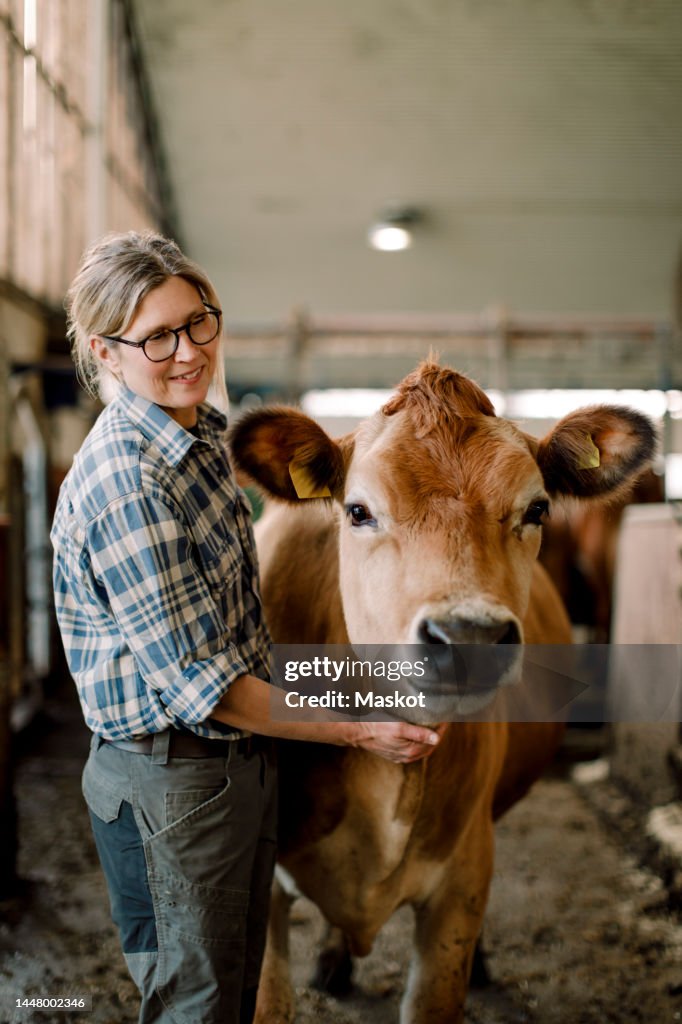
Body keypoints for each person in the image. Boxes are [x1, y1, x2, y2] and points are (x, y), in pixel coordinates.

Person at [50, 230, 441, 1024]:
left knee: (230, 988)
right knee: (196, 1004)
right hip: (176, 780)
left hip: (229, 767)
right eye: (156, 336)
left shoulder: (195, 435)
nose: (189, 351)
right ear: (106, 350)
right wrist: (361, 729)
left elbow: (236, 641)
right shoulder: (131, 479)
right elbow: (213, 688)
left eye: (199, 322)